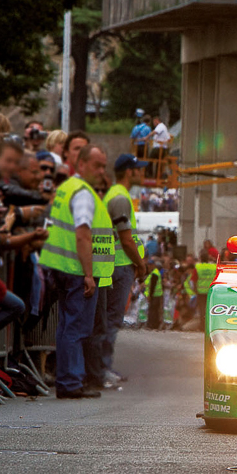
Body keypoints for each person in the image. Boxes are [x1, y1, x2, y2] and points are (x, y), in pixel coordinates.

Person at [38, 143, 116, 399]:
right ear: (81, 164)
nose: (101, 171)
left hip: (59, 266)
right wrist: (89, 274)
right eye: (96, 165)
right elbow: (83, 234)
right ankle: (71, 382)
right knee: (76, 328)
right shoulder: (83, 193)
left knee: (65, 326)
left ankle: (67, 379)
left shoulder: (67, 187)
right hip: (74, 269)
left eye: (104, 166)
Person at [95, 154, 148, 384]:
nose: (142, 173)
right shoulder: (120, 197)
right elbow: (126, 240)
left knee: (108, 319)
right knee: (111, 320)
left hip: (115, 265)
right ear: (129, 172)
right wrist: (141, 263)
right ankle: (102, 368)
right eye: (139, 169)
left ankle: (100, 367)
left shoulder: (117, 195)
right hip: (119, 265)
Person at [194, 253, 217, 323]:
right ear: (208, 258)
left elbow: (194, 279)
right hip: (211, 291)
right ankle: (211, 323)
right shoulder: (213, 267)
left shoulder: (198, 267)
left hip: (201, 291)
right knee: (211, 308)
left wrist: (195, 289)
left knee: (202, 309)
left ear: (200, 258)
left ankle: (202, 325)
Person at [144, 260, 164, 330]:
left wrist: (150, 295)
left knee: (153, 310)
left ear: (153, 265)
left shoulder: (154, 273)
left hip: (155, 295)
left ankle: (152, 325)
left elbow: (153, 285)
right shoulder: (155, 272)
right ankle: (155, 325)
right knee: (155, 310)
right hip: (157, 294)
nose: (148, 266)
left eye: (150, 265)